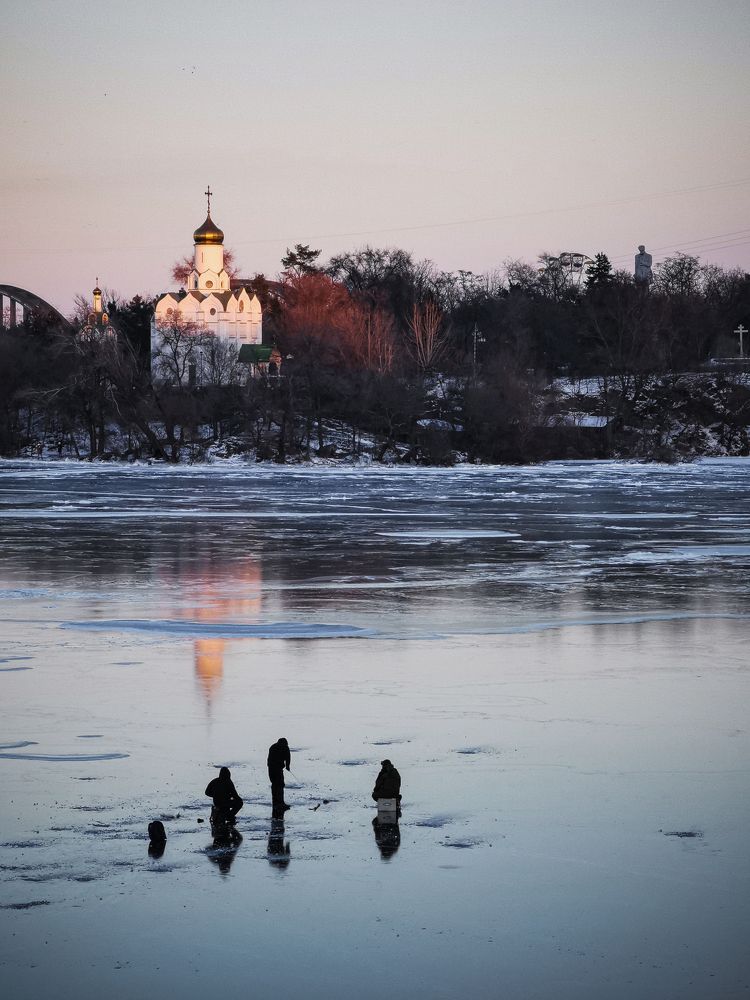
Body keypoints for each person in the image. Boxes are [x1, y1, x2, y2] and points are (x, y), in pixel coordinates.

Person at [267, 737, 291, 813]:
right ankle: (277, 803)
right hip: (273, 769)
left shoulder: (285, 747)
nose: (284, 746)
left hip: (279, 769)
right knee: (276, 785)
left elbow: (288, 757)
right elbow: (270, 760)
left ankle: (280, 803)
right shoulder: (273, 747)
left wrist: (287, 766)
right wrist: (281, 766)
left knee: (280, 785)